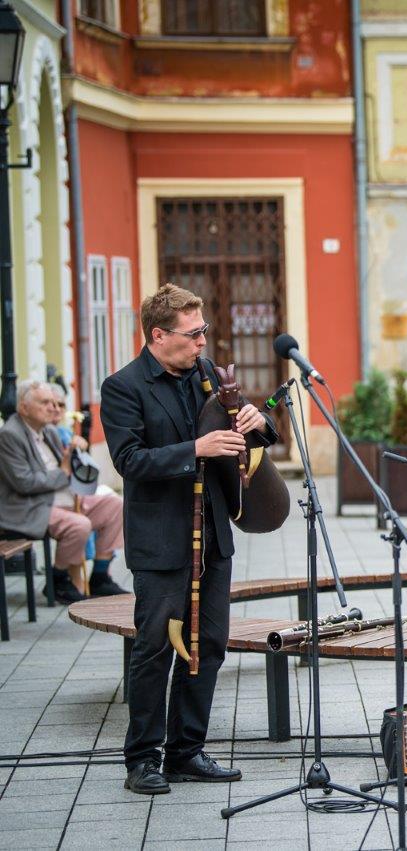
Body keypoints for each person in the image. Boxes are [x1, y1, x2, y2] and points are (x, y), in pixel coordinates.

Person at [101, 283, 276, 795]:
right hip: (161, 538)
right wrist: (193, 448)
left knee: (209, 644)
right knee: (156, 647)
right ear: (159, 335)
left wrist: (257, 421)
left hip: (213, 533)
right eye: (193, 333)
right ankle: (142, 759)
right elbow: (128, 460)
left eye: (204, 331)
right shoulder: (123, 386)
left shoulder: (207, 373)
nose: (203, 342)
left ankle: (186, 750)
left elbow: (253, 434)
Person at [0, 380, 127, 601]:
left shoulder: (48, 430)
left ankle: (99, 576)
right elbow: (24, 483)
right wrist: (64, 470)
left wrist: (74, 449)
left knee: (116, 506)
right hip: (28, 506)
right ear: (23, 407)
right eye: (44, 402)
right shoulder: (10, 435)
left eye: (53, 402)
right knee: (79, 524)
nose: (52, 407)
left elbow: (67, 466)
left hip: (61, 499)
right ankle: (57, 580)